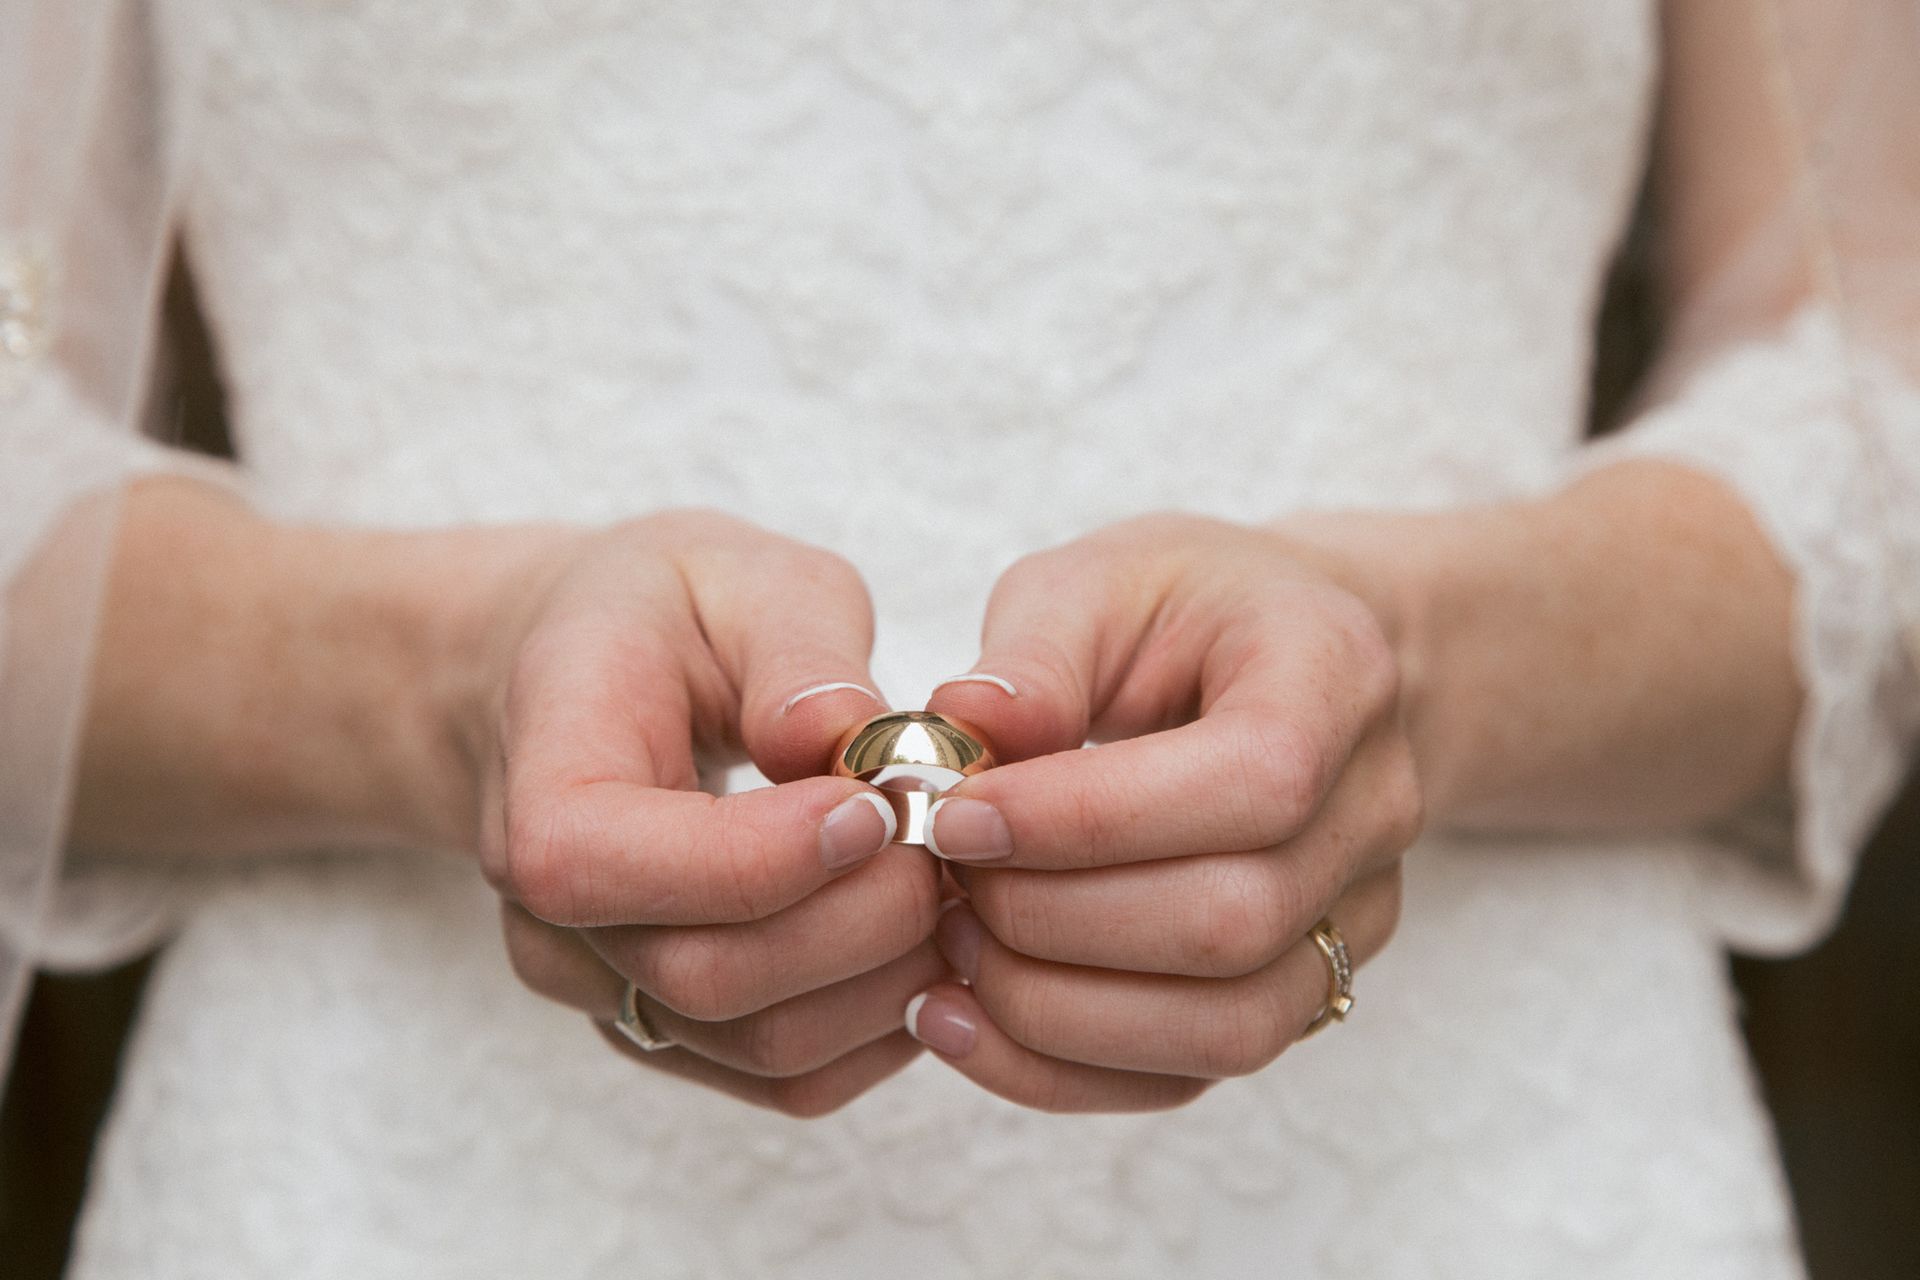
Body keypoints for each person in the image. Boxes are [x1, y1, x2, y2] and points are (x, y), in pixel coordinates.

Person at [2, 0, 1914, 1276]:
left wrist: (1421, 660)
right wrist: (448, 689)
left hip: (1490, 1182)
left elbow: (1875, 405)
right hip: (390, 1186)